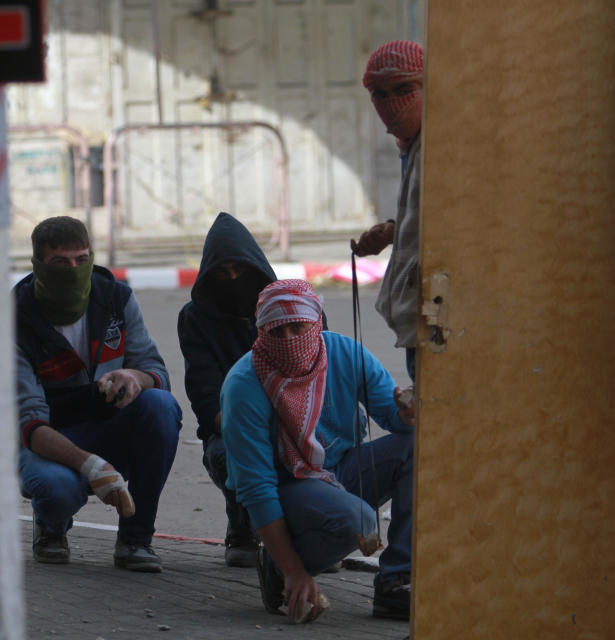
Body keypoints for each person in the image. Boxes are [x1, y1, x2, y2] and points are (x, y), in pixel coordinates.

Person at [221, 280, 415, 622]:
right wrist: (295, 569)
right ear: (261, 331)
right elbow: (257, 488)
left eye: (298, 327)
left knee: (417, 446)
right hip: (288, 488)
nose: (288, 340)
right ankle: (281, 568)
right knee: (359, 521)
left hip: (338, 469)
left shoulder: (344, 353)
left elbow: (392, 415)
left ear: (317, 324)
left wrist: (409, 413)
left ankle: (396, 579)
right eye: (276, 331)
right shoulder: (243, 384)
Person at [15, 216, 182, 573]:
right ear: (38, 266)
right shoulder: (13, 320)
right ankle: (51, 526)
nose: (73, 269)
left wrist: (135, 377)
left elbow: (158, 373)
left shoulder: (115, 299)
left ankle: (136, 540)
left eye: (81, 259)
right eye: (60, 262)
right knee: (55, 488)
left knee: (161, 406)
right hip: (50, 439)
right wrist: (93, 466)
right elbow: (28, 423)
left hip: (109, 425)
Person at [177, 212, 278, 567]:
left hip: (298, 420)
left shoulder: (292, 309)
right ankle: (243, 526)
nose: (234, 281)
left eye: (241, 271)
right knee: (229, 453)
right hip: (234, 428)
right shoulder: (196, 320)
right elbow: (206, 398)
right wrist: (257, 434)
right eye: (223, 274)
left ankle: (315, 528)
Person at [351, 40, 424, 381]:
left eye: (404, 89)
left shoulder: (445, 144)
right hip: (418, 316)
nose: (392, 103)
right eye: (379, 94)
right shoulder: (412, 145)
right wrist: (394, 231)